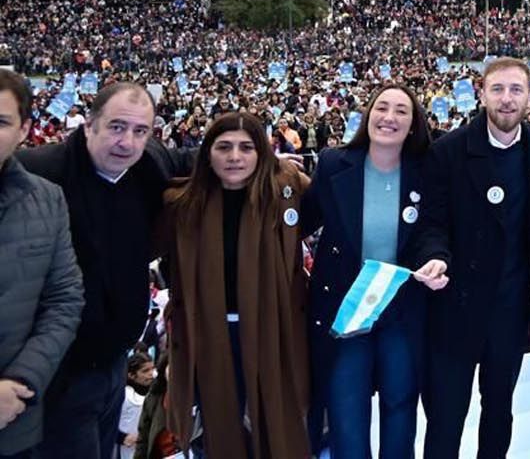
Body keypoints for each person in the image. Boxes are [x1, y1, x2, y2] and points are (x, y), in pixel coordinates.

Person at [18, 82, 192, 459]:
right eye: (116, 127)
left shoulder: (148, 165)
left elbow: (193, 159)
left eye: (140, 131)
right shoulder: (38, 173)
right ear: (88, 125)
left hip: (113, 362)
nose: (127, 142)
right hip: (58, 371)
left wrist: (266, 160)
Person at [303, 84, 444, 459]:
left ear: (414, 124)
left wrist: (437, 258)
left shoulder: (425, 169)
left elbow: (431, 230)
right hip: (348, 311)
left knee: (400, 409)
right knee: (347, 412)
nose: (390, 117)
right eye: (382, 107)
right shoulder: (334, 163)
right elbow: (300, 221)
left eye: (401, 111)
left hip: (401, 311)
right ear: (368, 116)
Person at [161, 112, 313, 459]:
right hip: (210, 337)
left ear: (262, 153)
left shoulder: (286, 191)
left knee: (275, 426)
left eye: (246, 148)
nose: (234, 157)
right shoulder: (181, 204)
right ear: (207, 153)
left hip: (271, 333)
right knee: (219, 431)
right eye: (224, 147)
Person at [422, 58, 530, 459]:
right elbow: (431, 222)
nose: (506, 99)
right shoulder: (448, 150)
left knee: (499, 414)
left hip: (510, 311)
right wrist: (436, 256)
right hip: (456, 308)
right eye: (497, 89)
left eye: (516, 90)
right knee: (446, 418)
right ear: (481, 94)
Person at [0, 71, 84, 459]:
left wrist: (20, 381)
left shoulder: (48, 200)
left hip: (13, 416)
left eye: (1, 122)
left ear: (24, 130)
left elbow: (64, 301)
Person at [115, 353, 154, 459]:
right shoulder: (123, 395)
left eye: (152, 369)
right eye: (145, 371)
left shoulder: (156, 393)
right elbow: (107, 422)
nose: (151, 374)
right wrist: (122, 437)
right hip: (130, 452)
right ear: (131, 375)